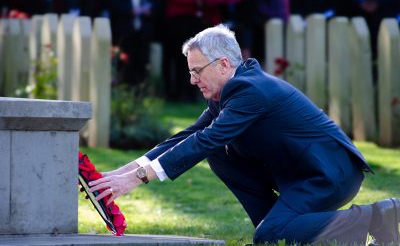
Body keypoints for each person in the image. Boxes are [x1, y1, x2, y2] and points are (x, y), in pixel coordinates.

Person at [89, 24, 400, 244]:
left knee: (268, 236)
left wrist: (138, 178)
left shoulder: (248, 89)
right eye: (190, 72)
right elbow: (185, 137)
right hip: (303, 174)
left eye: (197, 71)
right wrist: (117, 174)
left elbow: (207, 138)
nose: (192, 79)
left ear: (224, 64)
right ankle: (277, 225)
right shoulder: (228, 91)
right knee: (222, 161)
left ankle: (376, 216)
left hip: (329, 175)